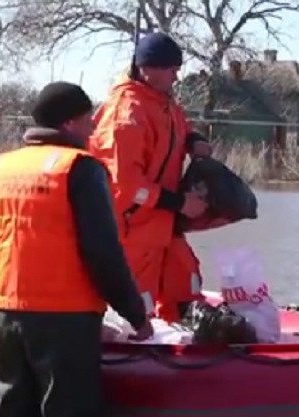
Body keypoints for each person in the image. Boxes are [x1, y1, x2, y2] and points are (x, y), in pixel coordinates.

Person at [0, 82, 153, 417]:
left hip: (7, 312)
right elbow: (103, 252)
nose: (91, 129)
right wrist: (136, 316)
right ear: (70, 121)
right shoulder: (79, 168)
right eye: (88, 119)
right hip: (64, 316)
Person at [90, 32, 213, 323]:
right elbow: (128, 186)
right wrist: (179, 203)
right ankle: (135, 345)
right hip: (132, 225)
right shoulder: (126, 113)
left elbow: (180, 128)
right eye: (171, 68)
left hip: (161, 221)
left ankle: (184, 336)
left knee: (185, 280)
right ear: (148, 70)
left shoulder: (162, 102)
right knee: (137, 301)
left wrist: (193, 141)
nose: (176, 75)